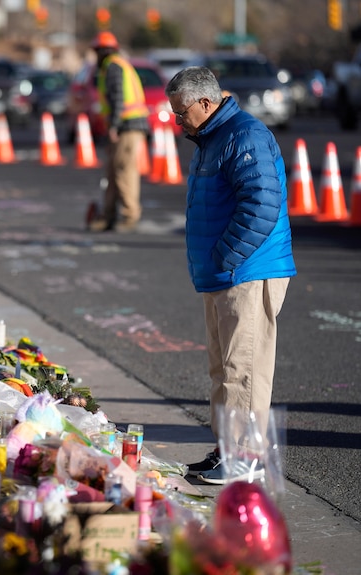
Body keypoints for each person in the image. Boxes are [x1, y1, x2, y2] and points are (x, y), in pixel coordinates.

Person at [164, 66, 296, 485]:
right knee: (222, 367)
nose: (177, 121)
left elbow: (261, 204)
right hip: (225, 271)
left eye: (181, 112)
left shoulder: (244, 135)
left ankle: (247, 456)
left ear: (206, 102)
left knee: (244, 367)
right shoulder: (211, 136)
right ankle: (228, 449)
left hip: (246, 270)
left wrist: (226, 256)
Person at [87, 31, 150, 233]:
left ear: (101, 52)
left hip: (127, 127)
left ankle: (129, 215)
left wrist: (113, 126)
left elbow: (117, 99)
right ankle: (108, 216)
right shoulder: (116, 65)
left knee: (124, 171)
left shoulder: (113, 67)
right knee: (114, 172)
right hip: (126, 126)